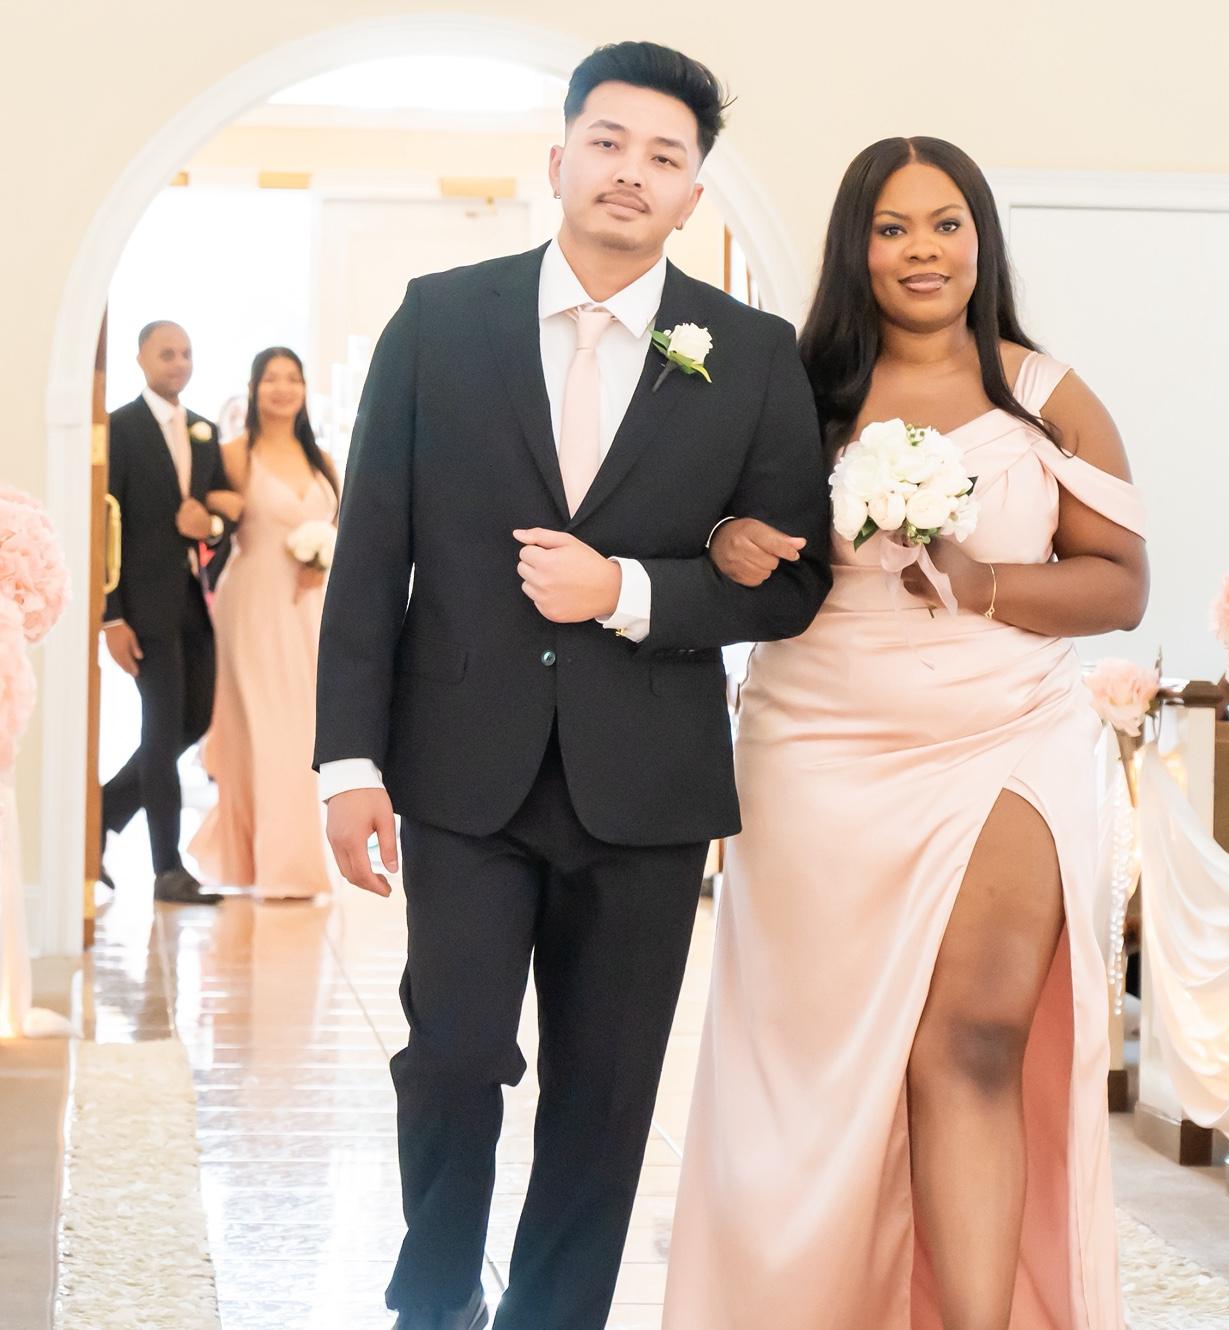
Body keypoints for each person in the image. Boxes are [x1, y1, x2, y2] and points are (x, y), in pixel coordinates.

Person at [314, 41, 831, 1330]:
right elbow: (371, 554)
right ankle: (434, 1292)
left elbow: (790, 582)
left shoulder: (750, 352)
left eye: (664, 155)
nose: (629, 171)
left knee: (604, 1096)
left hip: (645, 781)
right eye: (607, 142)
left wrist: (629, 591)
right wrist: (347, 763)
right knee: (451, 1056)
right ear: (557, 159)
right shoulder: (440, 320)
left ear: (692, 194)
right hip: (460, 769)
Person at [663, 138, 1149, 1330]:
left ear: (980, 240)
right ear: (856, 247)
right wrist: (727, 543)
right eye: (891, 228)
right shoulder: (791, 390)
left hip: (1005, 733)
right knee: (818, 1066)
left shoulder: (1046, 395)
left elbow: (1120, 584)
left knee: (973, 1038)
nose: (921, 250)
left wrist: (988, 584)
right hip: (816, 747)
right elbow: (714, 539)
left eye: (945, 224)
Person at [101, 321, 243, 905]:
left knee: (195, 719)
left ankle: (100, 816)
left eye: (185, 353)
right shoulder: (118, 428)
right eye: (166, 353)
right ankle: (167, 870)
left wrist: (210, 525)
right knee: (160, 733)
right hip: (142, 607)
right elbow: (104, 524)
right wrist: (111, 617)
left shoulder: (203, 430)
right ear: (141, 359)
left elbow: (227, 512)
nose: (178, 363)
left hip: (194, 602)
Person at [190, 348, 339, 900]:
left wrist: (323, 558)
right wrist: (215, 511)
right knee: (266, 729)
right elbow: (207, 519)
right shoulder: (233, 455)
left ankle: (280, 860)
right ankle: (278, 867)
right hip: (252, 601)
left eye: (292, 378)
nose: (282, 388)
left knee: (304, 731)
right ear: (253, 388)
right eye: (271, 378)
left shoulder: (322, 460)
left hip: (309, 608)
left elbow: (345, 527)